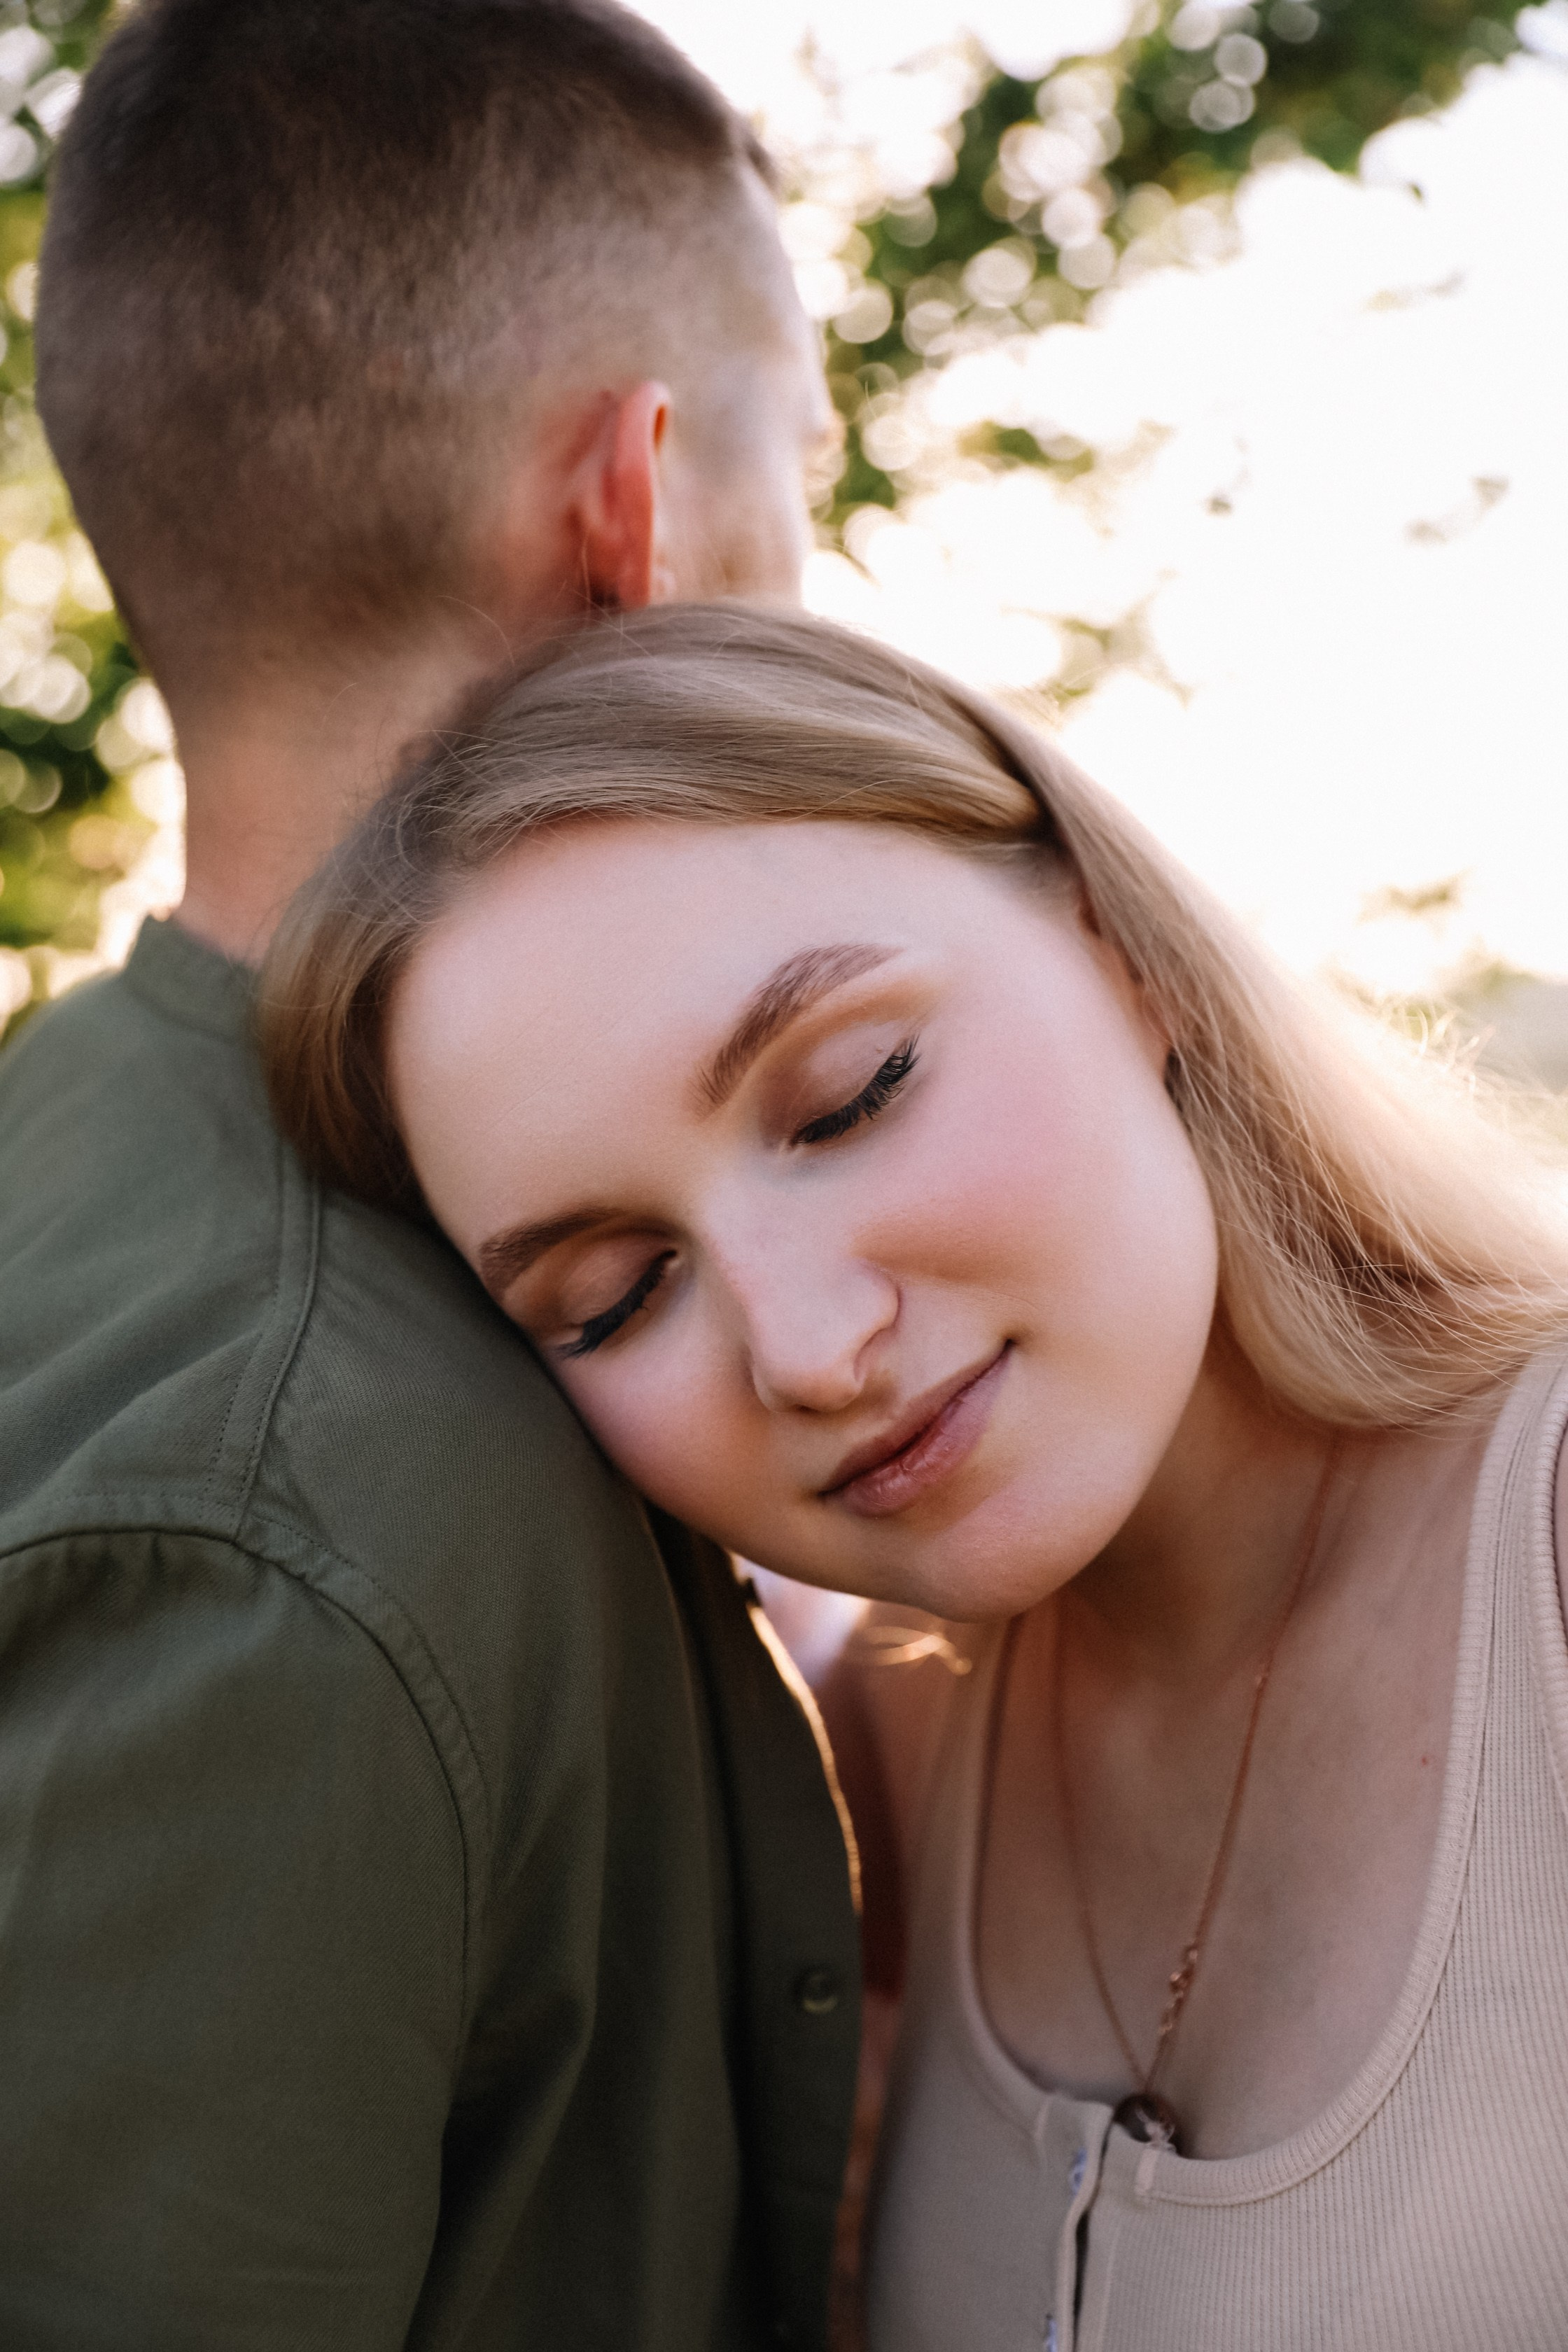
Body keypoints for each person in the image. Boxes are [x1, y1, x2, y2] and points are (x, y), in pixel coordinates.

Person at [260, 601, 1568, 2352]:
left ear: (1121, 950)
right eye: (615, 1295)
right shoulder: (877, 1754)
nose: (806, 1351)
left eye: (853, 1094)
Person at [0, 6, 858, 2347]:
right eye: (807, 472)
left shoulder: (85, 1174)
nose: (822, 575)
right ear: (636, 505)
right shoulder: (288, 1491)